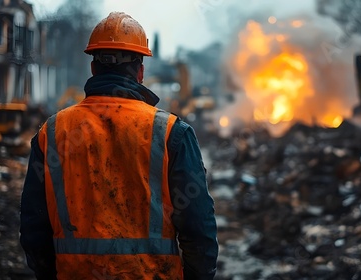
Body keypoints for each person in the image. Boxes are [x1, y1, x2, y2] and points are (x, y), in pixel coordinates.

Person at [20, 11, 218, 280]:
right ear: (140, 71)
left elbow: (33, 227)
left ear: (93, 67)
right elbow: (198, 227)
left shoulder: (53, 132)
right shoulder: (172, 132)